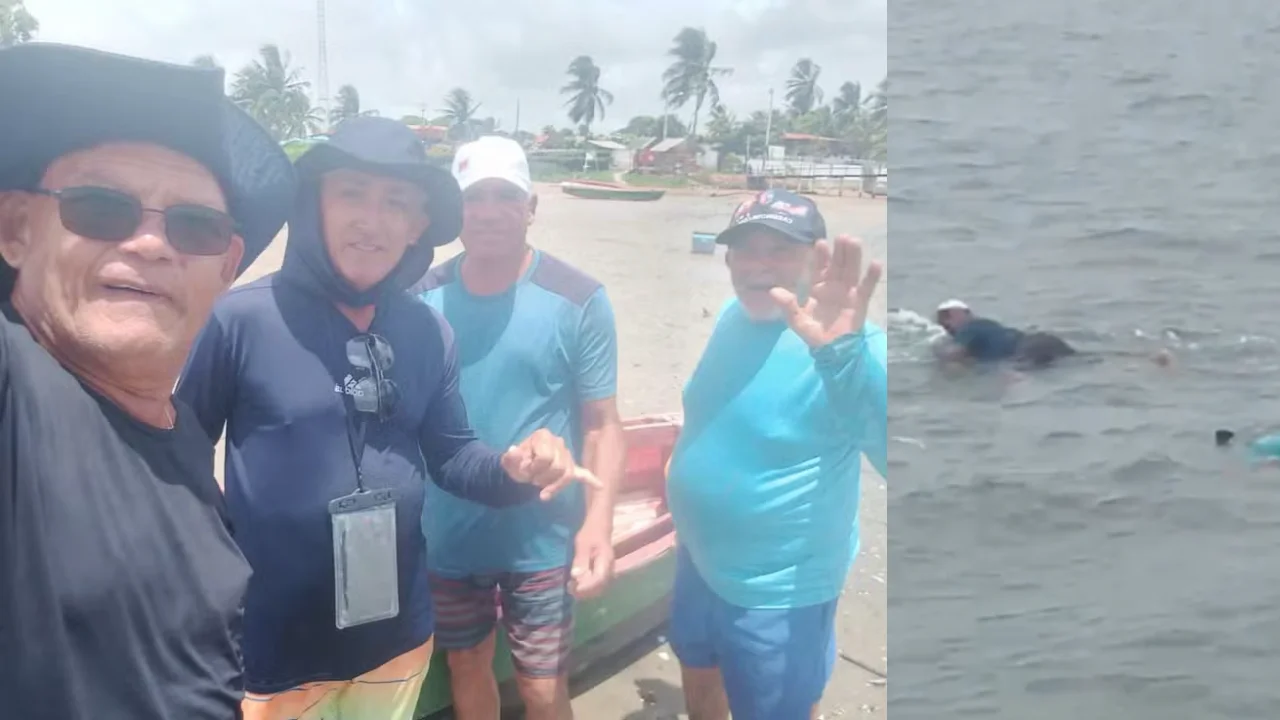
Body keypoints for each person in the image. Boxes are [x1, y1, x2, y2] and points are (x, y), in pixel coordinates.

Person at [176, 117, 599, 720]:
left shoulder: (428, 330)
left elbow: (454, 457)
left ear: (417, 225)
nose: (371, 221)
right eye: (351, 193)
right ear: (313, 202)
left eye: (395, 202)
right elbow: (178, 464)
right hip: (271, 648)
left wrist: (516, 469)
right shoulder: (240, 320)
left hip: (396, 643)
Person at [0, 43, 295, 720]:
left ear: (227, 264)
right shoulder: (17, 395)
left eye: (194, 226)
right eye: (101, 208)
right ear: (16, 229)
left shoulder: (181, 436)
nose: (152, 244)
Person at [413, 136, 625, 720]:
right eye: (472, 197)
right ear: (452, 212)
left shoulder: (578, 299)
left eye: (505, 195)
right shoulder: (418, 298)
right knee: (466, 665)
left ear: (531, 207)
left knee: (541, 687)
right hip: (448, 532)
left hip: (543, 536)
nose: (487, 211)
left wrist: (598, 527)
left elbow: (603, 425)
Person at [664, 190, 887, 720]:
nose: (759, 266)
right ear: (728, 260)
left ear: (819, 256)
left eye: (780, 249)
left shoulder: (854, 345)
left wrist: (841, 358)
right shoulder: (732, 316)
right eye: (746, 250)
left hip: (778, 591)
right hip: (698, 560)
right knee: (697, 672)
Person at [933, 298, 1076, 367]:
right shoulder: (989, 325)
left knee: (1014, 375)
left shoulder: (968, 328)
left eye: (945, 321)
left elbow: (954, 354)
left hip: (1025, 351)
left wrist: (934, 356)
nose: (946, 327)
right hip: (1043, 340)